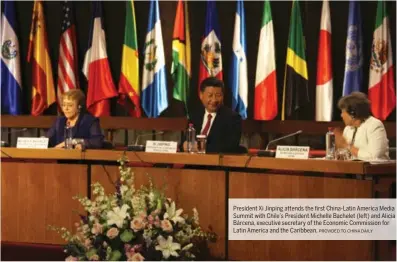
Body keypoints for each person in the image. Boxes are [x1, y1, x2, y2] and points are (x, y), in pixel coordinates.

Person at [184, 77, 242, 154]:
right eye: (210, 95)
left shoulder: (233, 118)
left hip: (217, 163)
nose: (214, 100)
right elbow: (185, 140)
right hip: (192, 163)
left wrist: (199, 147)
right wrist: (184, 145)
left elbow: (230, 146)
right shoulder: (195, 115)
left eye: (218, 95)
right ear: (201, 95)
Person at [334, 91, 389, 160]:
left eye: (343, 112)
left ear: (352, 113)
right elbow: (346, 154)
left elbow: (374, 157)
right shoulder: (347, 129)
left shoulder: (374, 125)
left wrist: (347, 146)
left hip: (375, 169)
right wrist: (340, 151)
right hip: (353, 169)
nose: (341, 115)